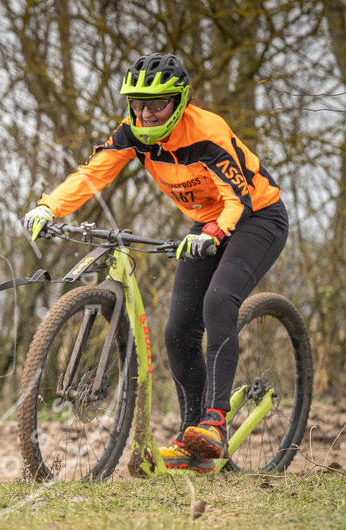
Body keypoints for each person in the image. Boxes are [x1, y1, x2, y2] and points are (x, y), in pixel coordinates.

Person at [21, 52, 289, 470]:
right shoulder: (135, 132)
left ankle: (215, 422)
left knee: (218, 303)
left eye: (156, 104)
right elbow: (93, 173)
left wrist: (216, 233)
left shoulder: (207, 132)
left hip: (257, 217)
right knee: (178, 330)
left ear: (180, 101)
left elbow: (238, 199)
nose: (145, 114)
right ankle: (192, 437)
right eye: (137, 104)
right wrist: (49, 208)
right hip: (205, 223)